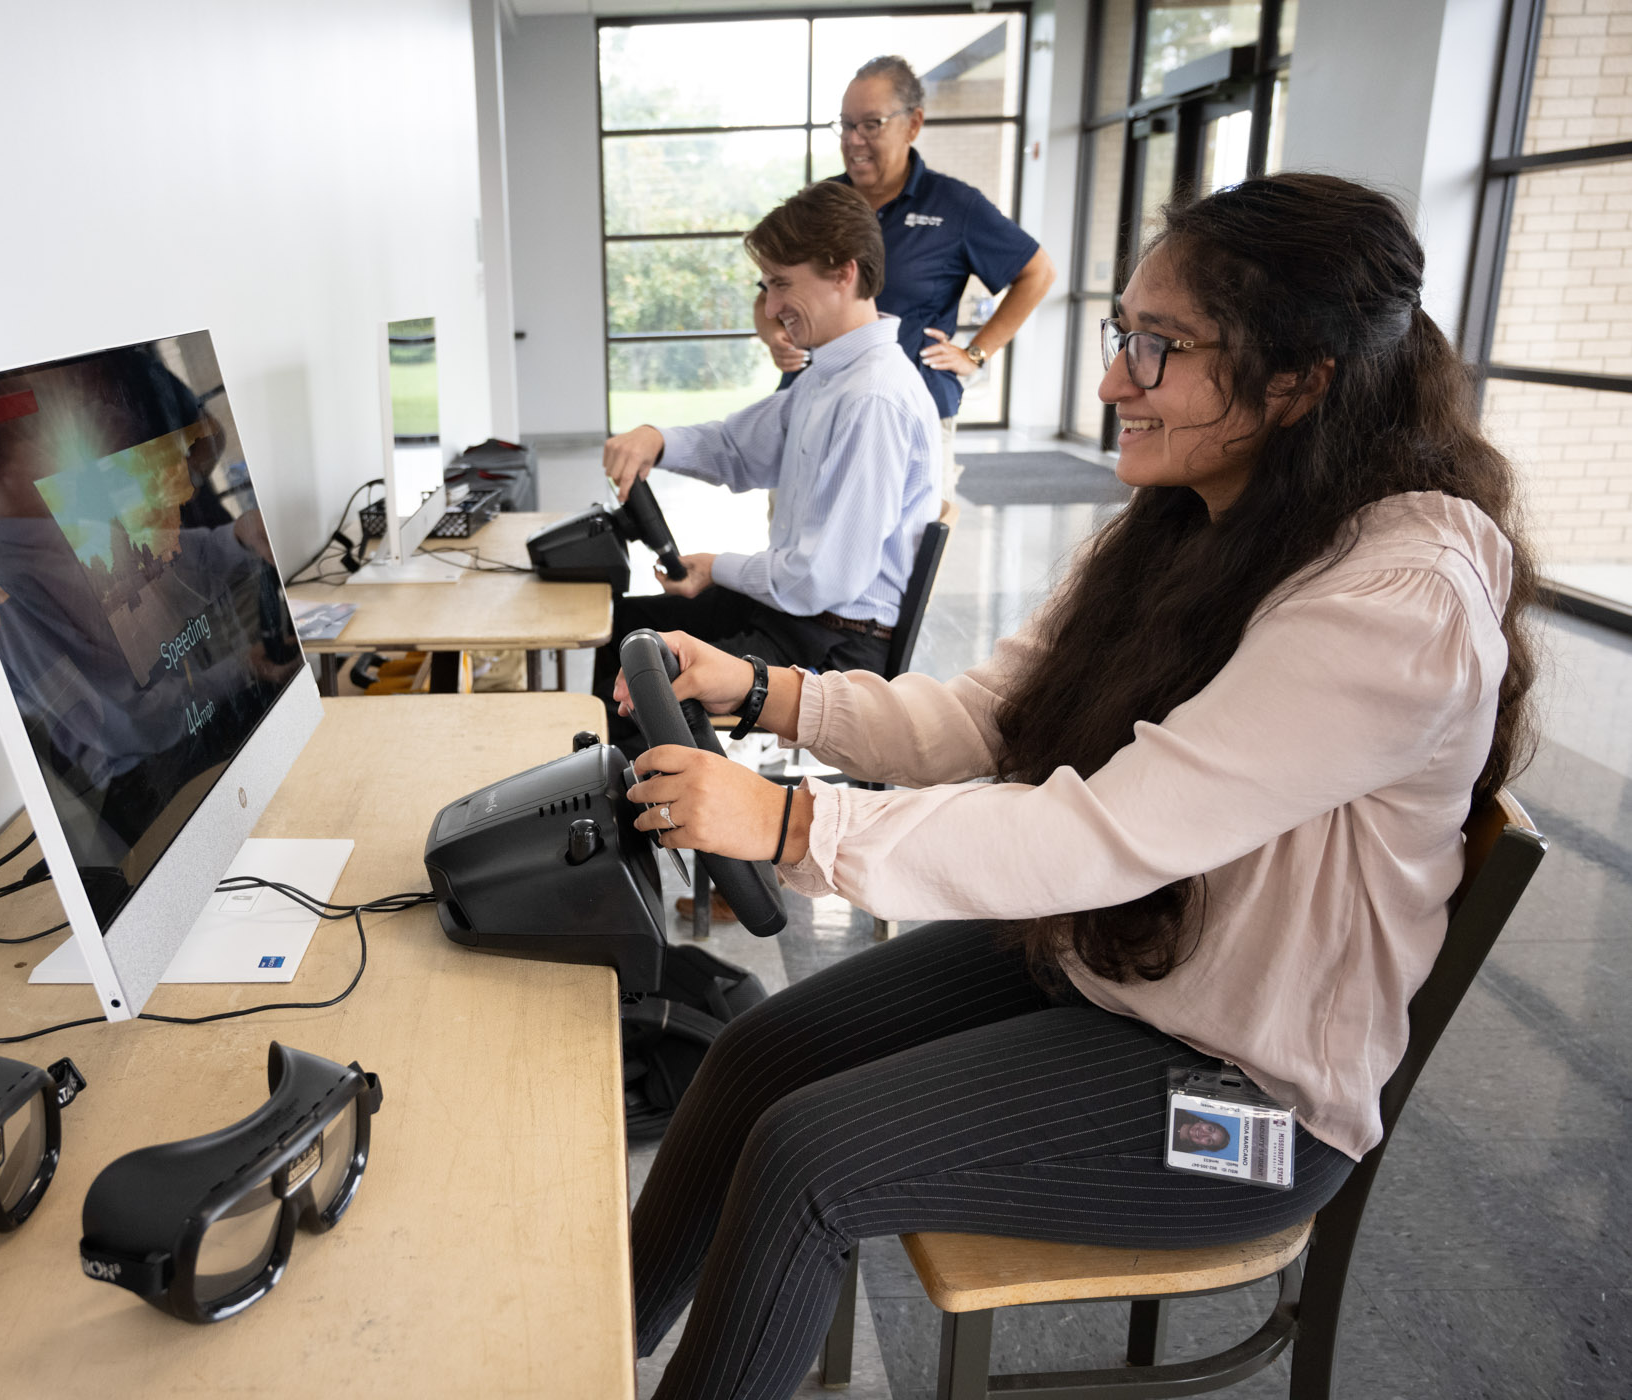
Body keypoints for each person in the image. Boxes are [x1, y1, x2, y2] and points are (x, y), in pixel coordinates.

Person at [609, 172, 1538, 1400]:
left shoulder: (1397, 602)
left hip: (1252, 1103)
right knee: (756, 1057)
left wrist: (794, 820)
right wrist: (765, 693)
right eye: (1122, 337)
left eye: (1157, 350)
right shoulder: (1204, 518)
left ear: (1299, 377)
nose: (1112, 382)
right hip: (1132, 968)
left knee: (807, 1159)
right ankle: (583, 1339)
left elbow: (1108, 834)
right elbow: (992, 719)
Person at [594, 179, 944, 760]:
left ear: (843, 273)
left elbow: (820, 579)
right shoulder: (828, 378)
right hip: (803, 616)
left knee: (646, 676)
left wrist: (715, 567)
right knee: (625, 633)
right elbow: (737, 448)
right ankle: (629, 807)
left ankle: (660, 829)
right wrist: (657, 439)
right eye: (767, 285)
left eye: (782, 284)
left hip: (837, 647)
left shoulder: (872, 399)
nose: (772, 307)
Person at [762, 54, 1056, 500]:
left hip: (913, 410)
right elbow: (769, 293)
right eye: (844, 125)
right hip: (816, 405)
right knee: (797, 548)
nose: (853, 140)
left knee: (908, 553)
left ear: (913, 124)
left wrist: (975, 354)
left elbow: (1038, 272)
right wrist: (774, 337)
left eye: (870, 124)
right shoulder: (816, 205)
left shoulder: (956, 205)